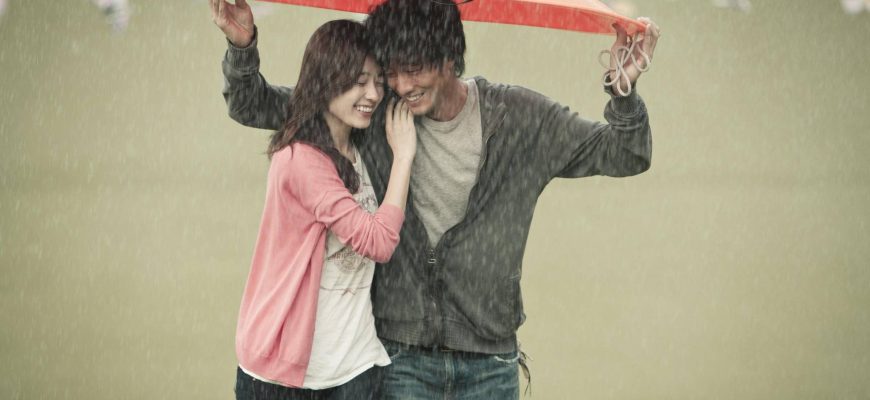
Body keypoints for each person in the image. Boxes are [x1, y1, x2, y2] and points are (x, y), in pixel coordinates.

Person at [212, 0, 660, 398]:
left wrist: (623, 92)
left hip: (490, 363)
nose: (401, 84)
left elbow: (626, 152)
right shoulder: (371, 111)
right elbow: (253, 104)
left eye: (415, 68)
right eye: (391, 71)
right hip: (400, 357)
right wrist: (242, 45)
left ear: (450, 57)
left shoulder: (520, 118)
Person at [228, 18, 418, 400]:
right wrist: (404, 158)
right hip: (285, 379)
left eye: (378, 81)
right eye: (359, 81)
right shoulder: (301, 160)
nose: (373, 94)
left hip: (356, 370)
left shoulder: (363, 145)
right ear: (325, 80)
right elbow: (378, 242)